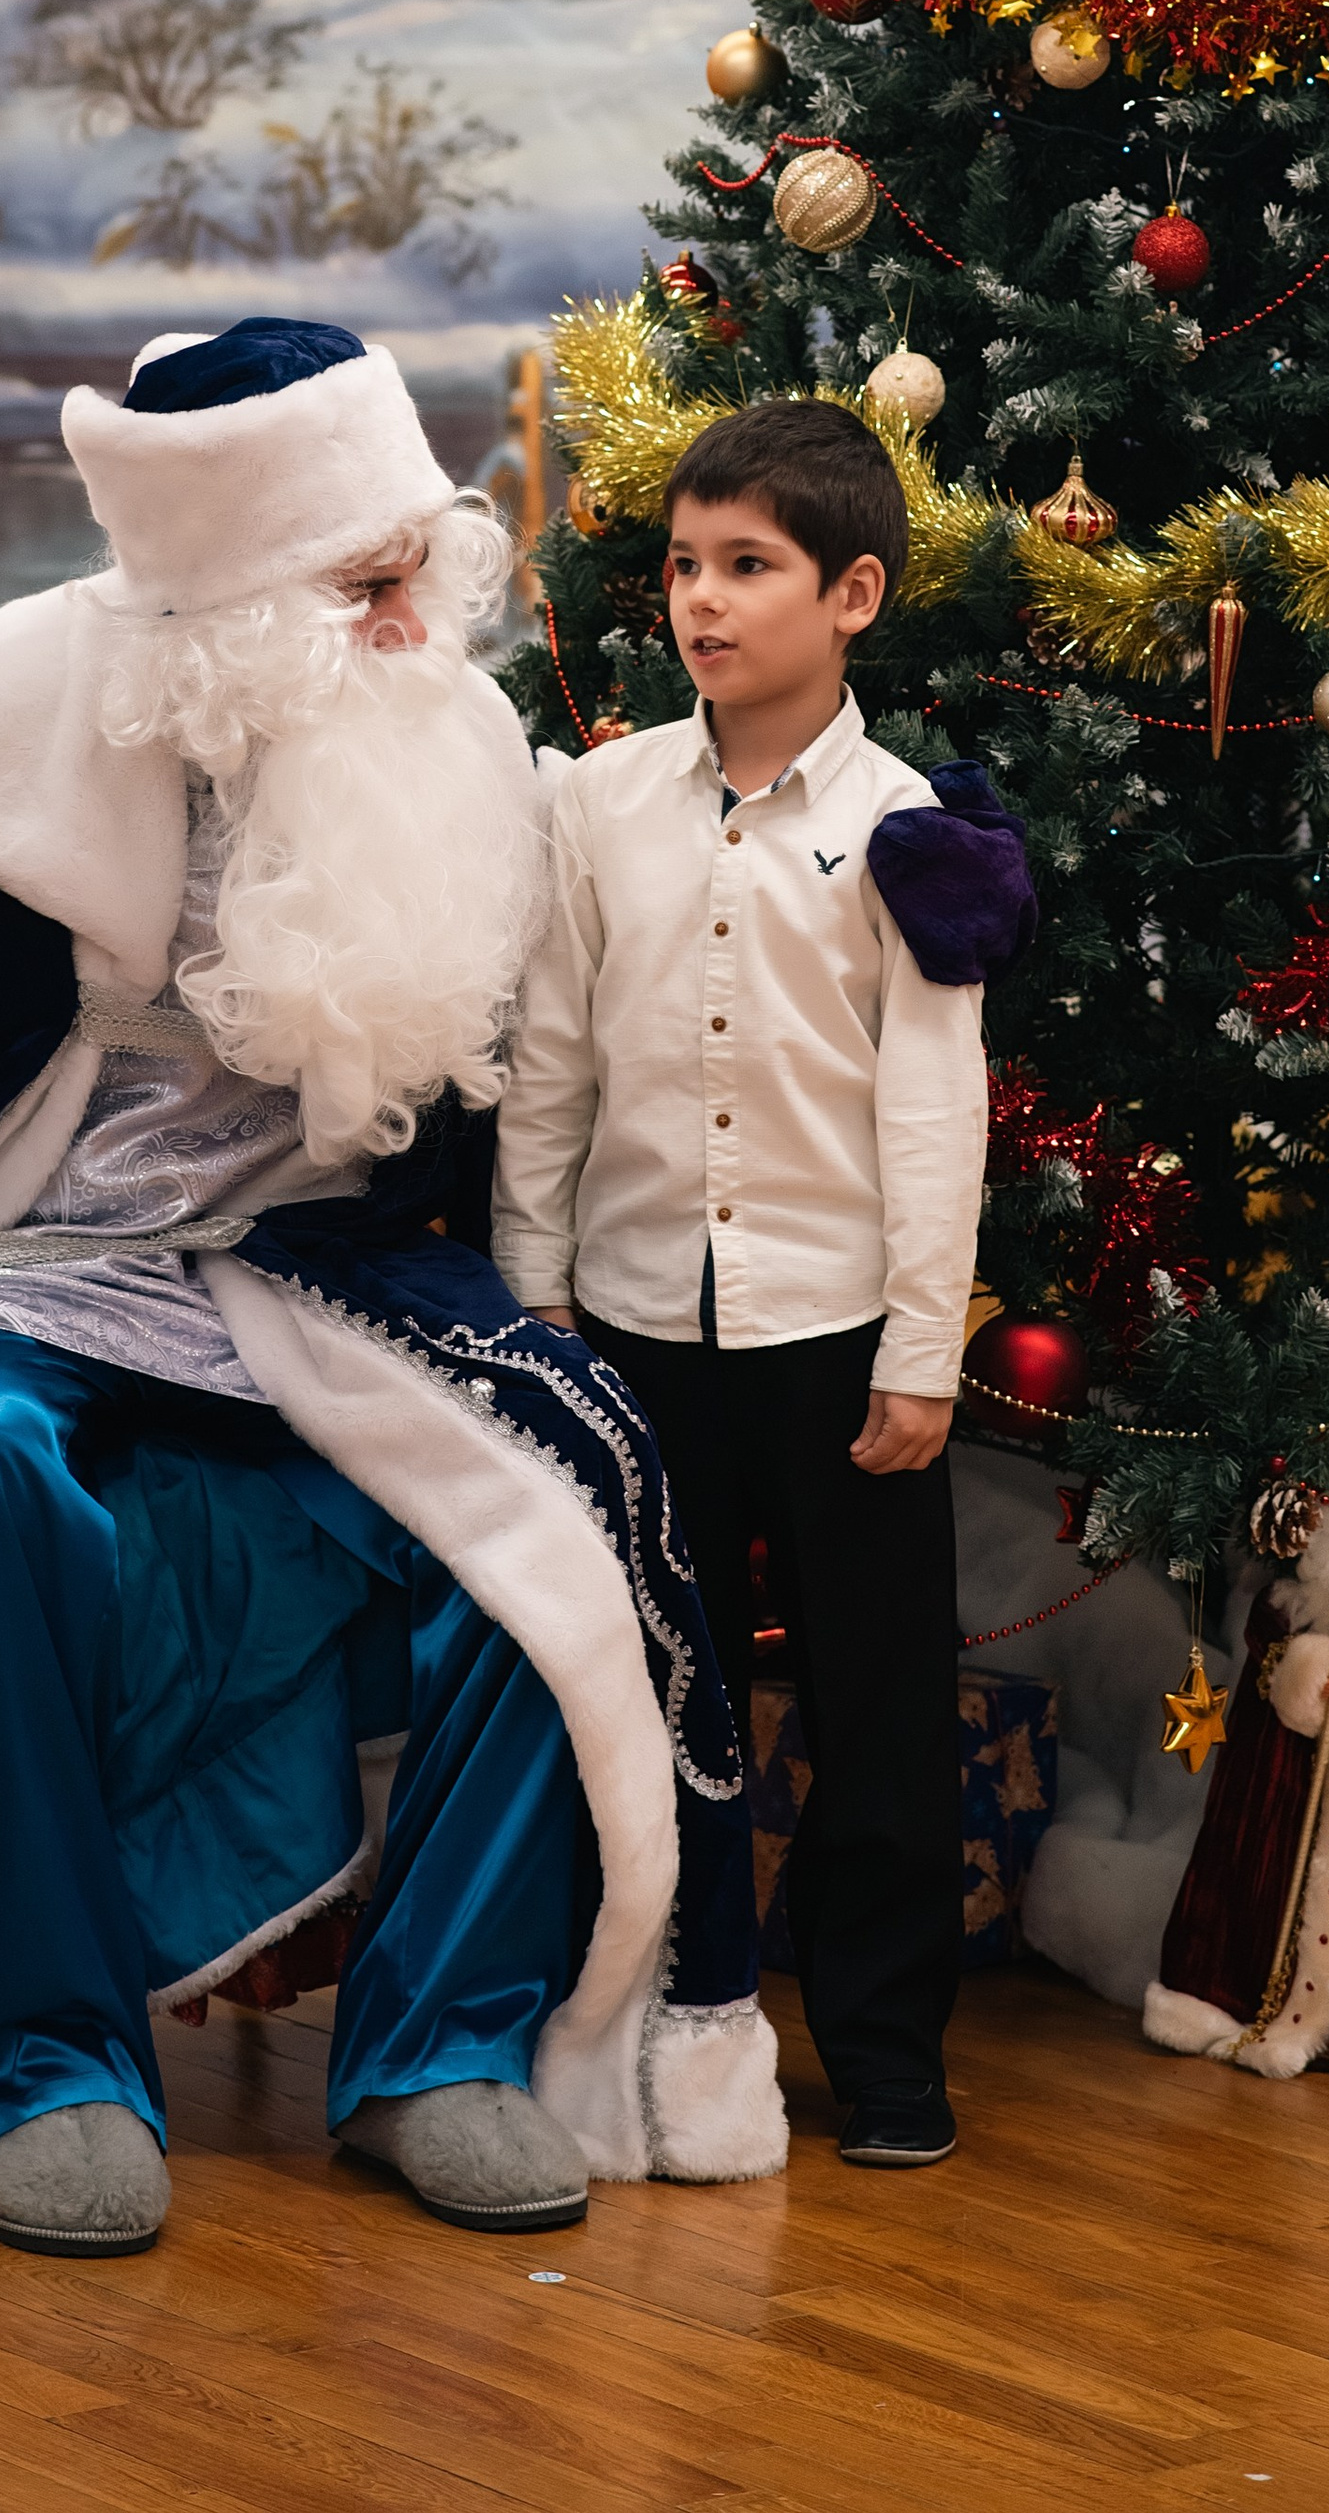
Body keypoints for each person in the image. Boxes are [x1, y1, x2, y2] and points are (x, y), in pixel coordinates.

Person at [0, 320, 783, 2253]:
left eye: (416, 563)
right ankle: (38, 2061)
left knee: (569, 1485)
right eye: (365, 582)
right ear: (231, 602)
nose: (415, 612)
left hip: (305, 1274)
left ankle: (442, 2046)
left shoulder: (448, 733)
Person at [493, 399, 1026, 2171]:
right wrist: (534, 1286)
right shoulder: (597, 800)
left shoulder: (912, 827)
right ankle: (654, 2020)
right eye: (680, 567)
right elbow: (553, 1053)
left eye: (749, 568)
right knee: (658, 1689)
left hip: (841, 1332)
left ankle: (886, 2058)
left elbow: (934, 1104)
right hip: (640, 1327)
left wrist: (925, 1348)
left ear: (851, 593)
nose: (702, 603)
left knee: (877, 1704)